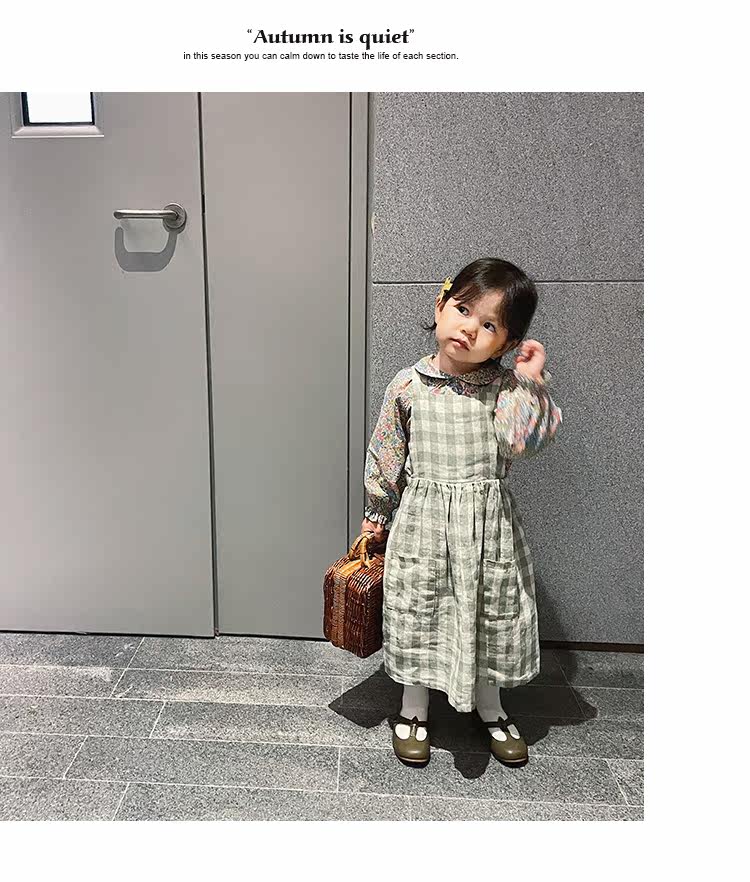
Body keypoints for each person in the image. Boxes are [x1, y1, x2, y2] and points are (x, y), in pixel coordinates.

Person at [361, 257, 562, 767]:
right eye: (464, 309)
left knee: (490, 611)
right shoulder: (408, 386)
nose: (470, 328)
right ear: (440, 306)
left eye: (490, 325)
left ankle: (491, 706)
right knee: (419, 608)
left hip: (487, 528)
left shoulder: (505, 389)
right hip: (423, 526)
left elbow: (523, 443)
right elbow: (386, 454)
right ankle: (413, 708)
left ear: (508, 343)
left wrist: (530, 381)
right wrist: (376, 514)